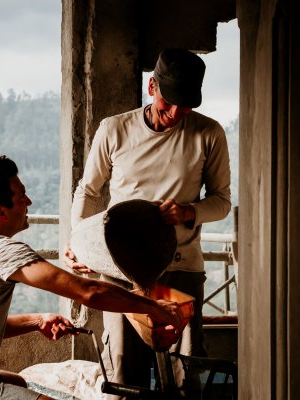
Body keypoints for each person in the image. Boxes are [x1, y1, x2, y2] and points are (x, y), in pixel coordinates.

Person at [0, 155, 186, 400]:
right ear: (1, 212)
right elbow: (88, 291)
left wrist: (37, 320)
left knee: (20, 383)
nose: (29, 201)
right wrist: (154, 308)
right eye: (21, 197)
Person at [65, 48, 231, 397]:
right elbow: (89, 190)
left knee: (186, 372)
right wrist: (76, 241)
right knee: (125, 370)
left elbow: (221, 202)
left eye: (185, 108)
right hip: (122, 272)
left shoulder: (209, 133)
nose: (175, 114)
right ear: (152, 87)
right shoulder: (114, 129)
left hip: (180, 268)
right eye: (168, 103)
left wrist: (188, 212)